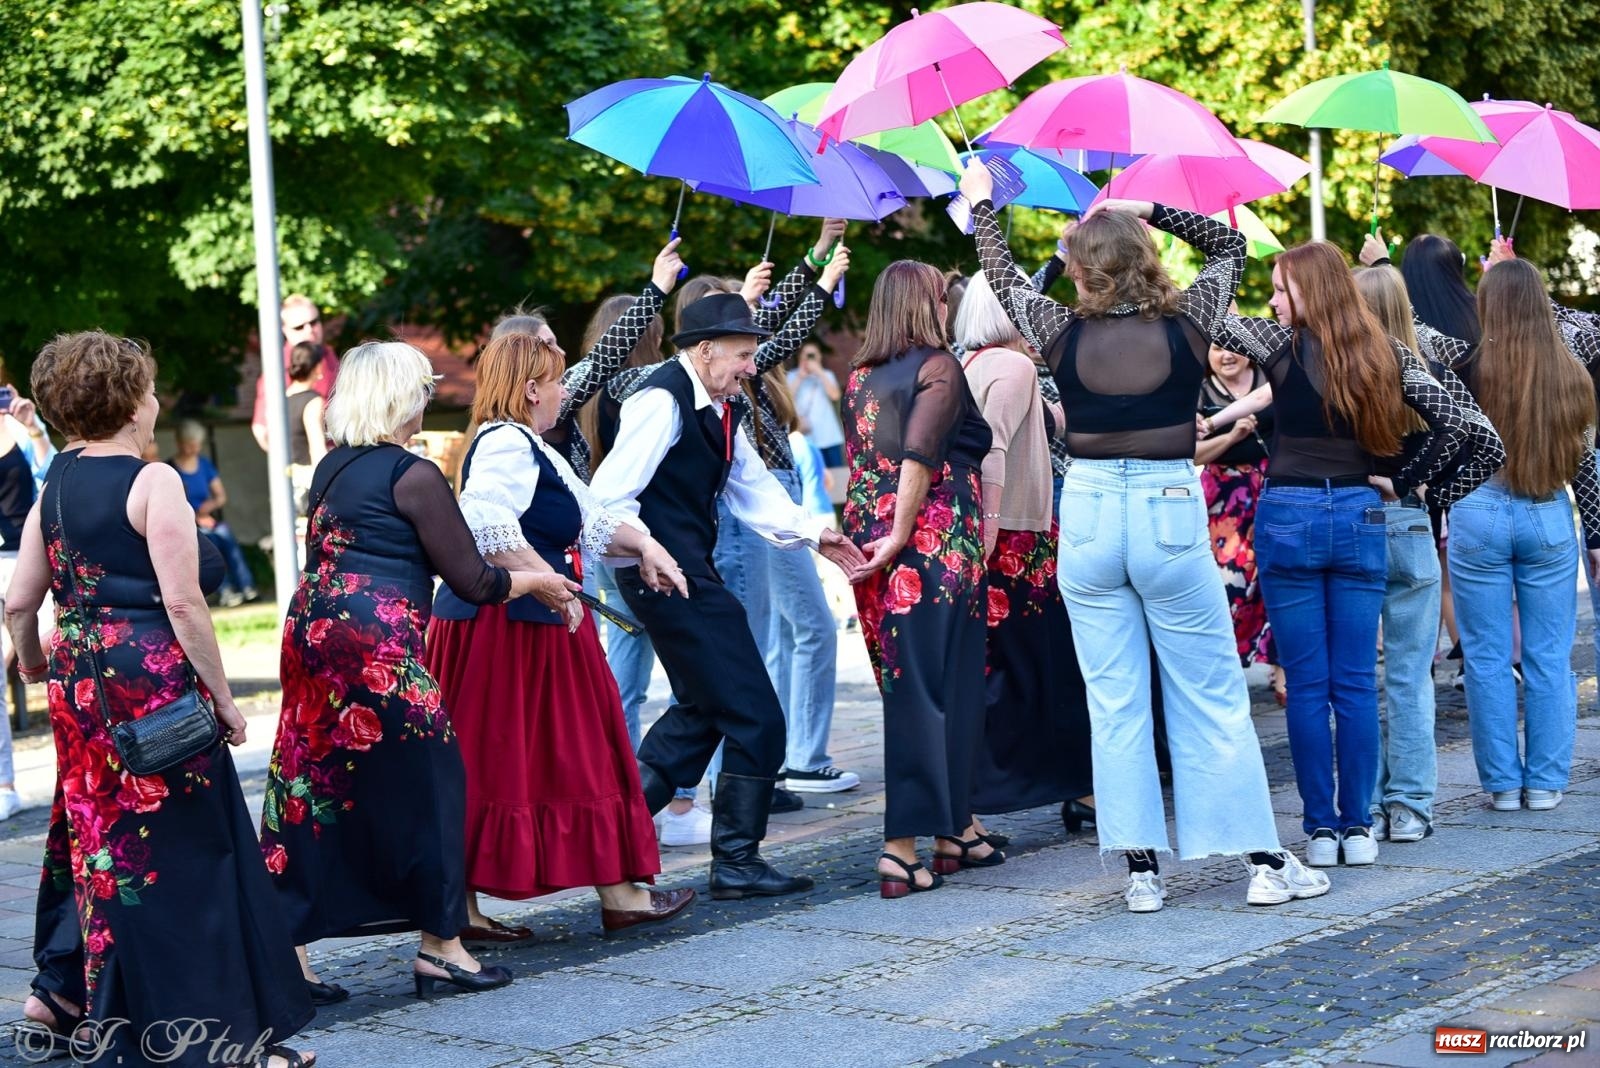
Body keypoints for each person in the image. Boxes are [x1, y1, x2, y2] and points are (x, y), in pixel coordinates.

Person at [958, 160, 1329, 913]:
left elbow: (998, 274)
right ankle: (1261, 860)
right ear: (1147, 260)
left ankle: (1140, 873)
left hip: (1090, 512)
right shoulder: (1190, 324)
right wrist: (1150, 206)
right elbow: (1231, 245)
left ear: (1082, 275)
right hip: (1164, 506)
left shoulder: (1057, 330)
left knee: (1115, 699)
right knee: (1209, 692)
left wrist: (984, 209)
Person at [10, 331, 313, 1067]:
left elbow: (20, 603)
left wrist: (35, 665)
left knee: (105, 855)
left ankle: (94, 1010)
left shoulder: (53, 489)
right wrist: (227, 701)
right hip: (152, 691)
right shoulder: (153, 484)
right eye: (147, 390)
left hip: (81, 693)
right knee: (189, 857)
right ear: (127, 402)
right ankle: (221, 1041)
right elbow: (183, 605)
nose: (154, 402)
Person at [258, 341, 552, 1004]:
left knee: (308, 784)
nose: (428, 396)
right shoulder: (412, 474)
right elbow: (474, 581)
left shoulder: (333, 467)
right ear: (399, 396)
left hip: (311, 635)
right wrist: (539, 580)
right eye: (422, 386)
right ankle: (442, 950)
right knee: (431, 783)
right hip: (378, 649)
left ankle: (288, 950)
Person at [590, 293, 866, 901]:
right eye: (743, 355)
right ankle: (734, 863)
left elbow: (751, 484)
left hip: (686, 570)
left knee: (701, 715)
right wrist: (645, 552)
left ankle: (608, 841)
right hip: (667, 575)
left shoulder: (720, 404)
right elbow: (605, 500)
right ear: (704, 350)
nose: (752, 366)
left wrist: (816, 532)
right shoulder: (661, 400)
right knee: (756, 716)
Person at [425, 331, 697, 938]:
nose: (563, 391)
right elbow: (484, 516)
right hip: (513, 629)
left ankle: (479, 908)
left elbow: (593, 518)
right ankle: (618, 895)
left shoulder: (528, 444)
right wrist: (546, 579)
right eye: (554, 381)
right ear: (529, 391)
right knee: (570, 751)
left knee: (511, 758)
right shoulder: (506, 443)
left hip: (516, 623)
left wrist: (647, 547)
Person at [1213, 243, 1473, 869]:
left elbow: (1207, 289)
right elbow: (1459, 427)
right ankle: (1359, 828)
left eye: (1281, 289)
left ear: (1309, 291)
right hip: (1362, 514)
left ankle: (1321, 831)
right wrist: (1404, 477)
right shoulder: (1386, 352)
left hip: (1291, 516)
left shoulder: (1275, 347)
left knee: (1307, 685)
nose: (1273, 300)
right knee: (1356, 683)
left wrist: (1149, 218)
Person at [1411, 253, 1600, 813]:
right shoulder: (1573, 373)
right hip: (1546, 512)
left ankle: (1500, 784)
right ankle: (1544, 782)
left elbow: (1411, 330)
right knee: (1550, 657)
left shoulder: (1465, 362)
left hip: (1479, 511)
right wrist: (1596, 532)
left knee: (1488, 659)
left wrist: (1388, 267)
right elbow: (1586, 463)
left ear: (1485, 307)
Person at [844, 260, 1001, 896]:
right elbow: (918, 456)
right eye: (941, 296)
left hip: (877, 540)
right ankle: (898, 847)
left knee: (943, 687)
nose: (948, 305)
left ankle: (951, 827)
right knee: (928, 692)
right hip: (928, 544)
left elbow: (869, 463)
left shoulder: (859, 374)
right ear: (923, 302)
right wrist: (906, 531)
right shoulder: (940, 365)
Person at [952, 270, 1095, 839]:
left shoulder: (976, 362)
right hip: (1014, 540)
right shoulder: (1012, 366)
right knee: (1044, 672)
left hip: (1009, 537)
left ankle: (1062, 792)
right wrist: (988, 536)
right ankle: (1056, 792)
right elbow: (993, 450)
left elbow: (1038, 425)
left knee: (1021, 671)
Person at [1194, 341, 1280, 700]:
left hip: (1273, 488)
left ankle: (1281, 670)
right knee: (1230, 581)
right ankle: (1226, 667)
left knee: (1277, 579)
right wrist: (1231, 436)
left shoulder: (1269, 378)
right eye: (1217, 349)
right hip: (1225, 500)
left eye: (1234, 347)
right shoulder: (1198, 392)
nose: (1226, 355)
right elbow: (1190, 451)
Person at [0, 386, 56, 821]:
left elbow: (51, 475)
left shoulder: (20, 430)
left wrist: (33, 428)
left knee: (52, 656)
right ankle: (5, 784)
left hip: (29, 559)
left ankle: (82, 765)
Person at [170, 420, 259, 607]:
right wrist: (195, 517)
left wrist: (207, 508)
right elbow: (170, 503)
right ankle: (224, 590)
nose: (193, 449)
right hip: (187, 523)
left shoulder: (205, 465)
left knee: (225, 536)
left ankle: (246, 586)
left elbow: (220, 497)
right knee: (209, 541)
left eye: (196, 445)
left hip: (207, 519)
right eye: (189, 445)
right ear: (179, 442)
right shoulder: (170, 468)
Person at [253, 294, 339, 452]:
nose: (310, 331)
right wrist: (289, 464)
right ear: (284, 330)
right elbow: (261, 430)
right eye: (299, 327)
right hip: (305, 465)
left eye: (314, 322)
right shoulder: (277, 366)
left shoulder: (328, 355)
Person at [286, 341, 328, 514]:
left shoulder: (281, 398)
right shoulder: (313, 401)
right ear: (317, 367)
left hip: (286, 478)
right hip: (307, 481)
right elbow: (317, 448)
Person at [788, 340, 846, 467]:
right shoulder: (792, 376)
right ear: (800, 357)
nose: (809, 359)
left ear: (819, 357)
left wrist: (819, 373)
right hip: (804, 437)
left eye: (812, 355)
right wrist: (800, 377)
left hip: (829, 436)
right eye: (806, 355)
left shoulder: (827, 375)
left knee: (837, 475)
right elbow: (787, 400)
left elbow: (835, 396)